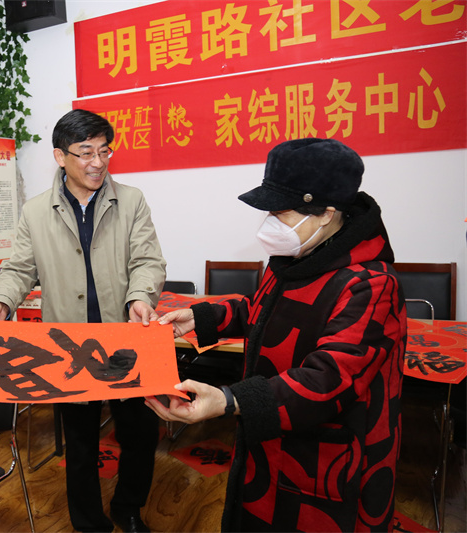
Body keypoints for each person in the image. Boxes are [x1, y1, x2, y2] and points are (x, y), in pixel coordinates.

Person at [147, 138, 407, 532]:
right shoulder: (296, 259)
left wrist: (229, 400)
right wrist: (200, 318)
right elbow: (262, 311)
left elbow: (328, 379)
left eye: (280, 212)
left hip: (330, 458)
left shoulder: (369, 284)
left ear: (326, 214)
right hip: (271, 435)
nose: (270, 222)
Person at [0, 109, 166, 533]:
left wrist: (139, 296)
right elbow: (19, 269)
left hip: (125, 340)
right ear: (61, 157)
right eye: (86, 152)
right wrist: (1, 302)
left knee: (139, 433)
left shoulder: (131, 200)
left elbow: (148, 261)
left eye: (104, 151)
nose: (98, 162)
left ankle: (128, 508)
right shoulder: (36, 212)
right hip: (69, 347)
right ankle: (88, 523)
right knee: (80, 443)